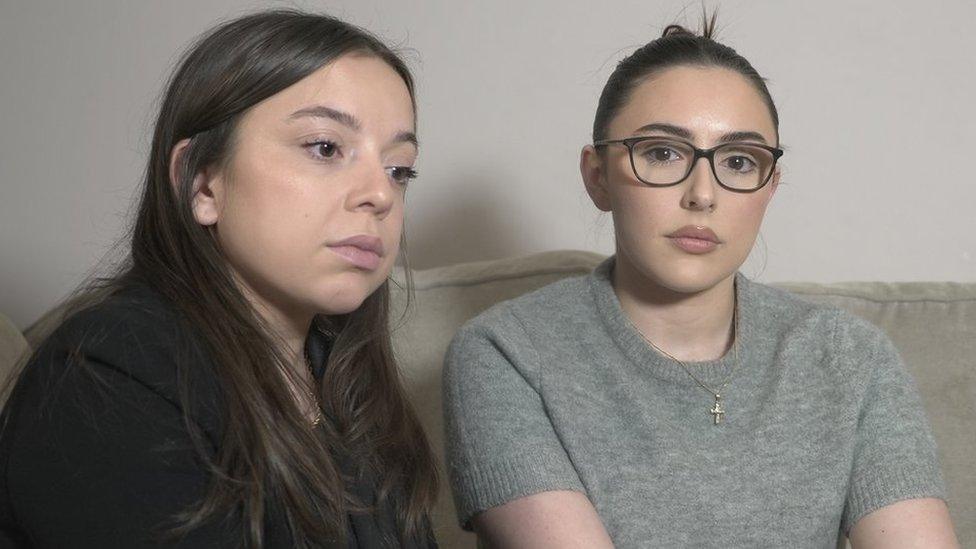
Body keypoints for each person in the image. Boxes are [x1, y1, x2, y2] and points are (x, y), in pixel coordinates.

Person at [442, 15, 959, 549]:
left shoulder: (853, 358)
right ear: (597, 176)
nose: (703, 194)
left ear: (770, 188)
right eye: (663, 153)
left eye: (738, 161)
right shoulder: (505, 352)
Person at [0, 10, 438, 548]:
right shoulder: (106, 376)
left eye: (400, 169)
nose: (381, 194)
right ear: (201, 184)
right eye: (325, 147)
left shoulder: (349, 384)